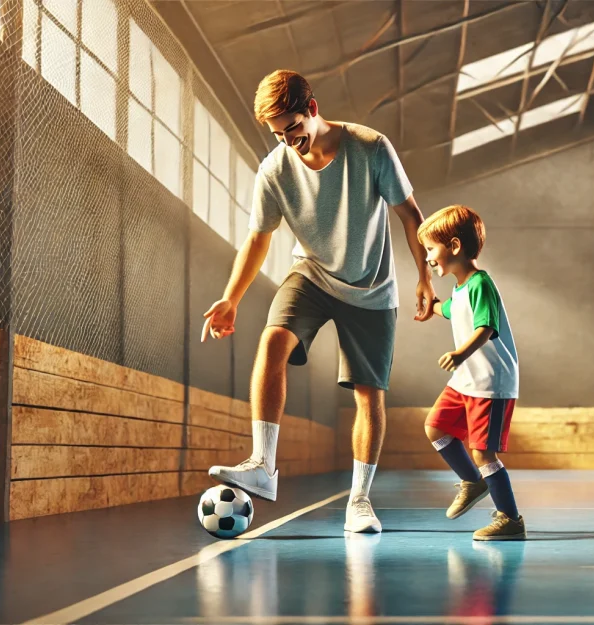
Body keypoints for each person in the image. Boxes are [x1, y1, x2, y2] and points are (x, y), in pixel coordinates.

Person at [201, 69, 435, 534]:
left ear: (311, 110)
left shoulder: (370, 148)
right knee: (272, 343)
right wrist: (231, 298)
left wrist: (424, 277)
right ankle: (263, 466)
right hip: (309, 274)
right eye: (278, 135)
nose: (290, 141)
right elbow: (257, 239)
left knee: (369, 395)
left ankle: (360, 501)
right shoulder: (275, 171)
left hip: (371, 287)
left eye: (293, 129)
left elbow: (411, 215)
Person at [418, 205, 525, 540]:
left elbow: (486, 326)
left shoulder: (481, 284)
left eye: (430, 249)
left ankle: (510, 518)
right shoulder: (461, 289)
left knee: (483, 452)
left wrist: (460, 352)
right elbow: (451, 309)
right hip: (465, 380)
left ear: (454, 246)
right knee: (435, 427)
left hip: (491, 382)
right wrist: (431, 306)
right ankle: (472, 480)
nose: (428, 258)